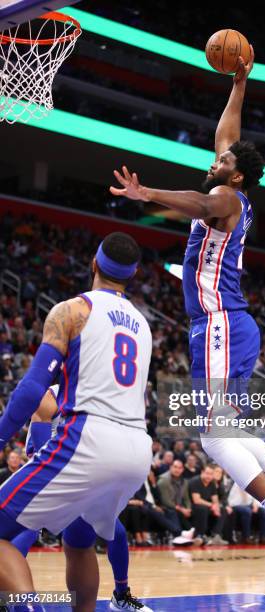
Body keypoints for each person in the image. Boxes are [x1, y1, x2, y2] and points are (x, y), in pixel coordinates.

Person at [110, 49, 265, 574]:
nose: (216, 160)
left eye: (223, 164)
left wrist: (144, 191)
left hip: (220, 325)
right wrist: (239, 84)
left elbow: (199, 204)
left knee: (214, 435)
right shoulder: (233, 184)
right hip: (225, 326)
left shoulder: (226, 200)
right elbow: (227, 136)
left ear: (235, 179)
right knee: (228, 430)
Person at [0, 232, 153, 612]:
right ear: (131, 276)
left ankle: (26, 608)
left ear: (94, 265)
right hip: (137, 450)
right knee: (79, 540)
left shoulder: (72, 310)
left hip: (88, 440)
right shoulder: (143, 325)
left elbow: (33, 388)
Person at [12, 384, 151, 610]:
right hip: (48, 468)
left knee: (116, 532)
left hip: (82, 472)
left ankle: (121, 596)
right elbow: (40, 448)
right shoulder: (54, 394)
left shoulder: (101, 397)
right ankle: (14, 600)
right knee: (23, 534)